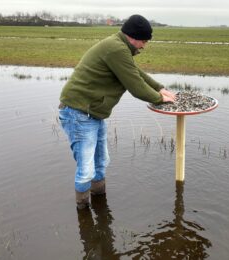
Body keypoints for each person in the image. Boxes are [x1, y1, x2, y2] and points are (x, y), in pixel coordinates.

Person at [59, 14, 176, 209]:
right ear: (133, 36)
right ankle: (83, 212)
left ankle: (99, 200)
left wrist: (158, 87)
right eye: (144, 41)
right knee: (86, 170)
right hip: (78, 112)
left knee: (101, 162)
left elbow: (135, 72)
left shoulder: (119, 47)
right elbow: (136, 86)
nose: (144, 46)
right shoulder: (116, 49)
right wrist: (159, 98)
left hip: (92, 113)